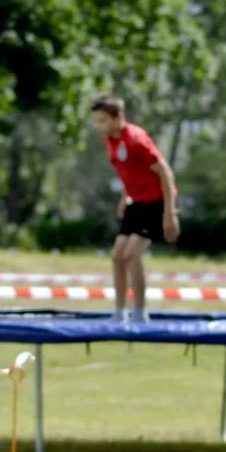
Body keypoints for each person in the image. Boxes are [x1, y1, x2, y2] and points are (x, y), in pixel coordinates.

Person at [90, 94, 178, 320]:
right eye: (96, 121)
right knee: (117, 255)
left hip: (155, 202)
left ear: (118, 117)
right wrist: (124, 198)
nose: (99, 126)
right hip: (136, 202)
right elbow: (127, 171)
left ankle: (140, 312)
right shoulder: (109, 139)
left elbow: (165, 174)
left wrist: (170, 214)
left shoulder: (136, 140)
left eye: (103, 121)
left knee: (131, 254)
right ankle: (119, 312)